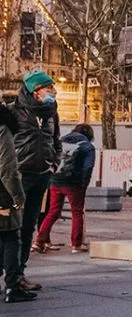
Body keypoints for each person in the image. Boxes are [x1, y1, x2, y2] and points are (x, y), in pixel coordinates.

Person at [11, 70, 59, 292]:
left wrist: (54, 162)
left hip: (42, 175)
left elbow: (55, 139)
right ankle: (8, 273)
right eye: (48, 88)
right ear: (35, 91)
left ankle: (19, 273)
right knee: (10, 227)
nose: (52, 92)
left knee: (29, 225)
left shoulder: (51, 113)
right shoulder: (14, 112)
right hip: (19, 175)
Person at [34, 122, 95, 253]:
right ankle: (76, 244)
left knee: (53, 212)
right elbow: (88, 167)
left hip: (55, 181)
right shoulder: (88, 147)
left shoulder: (61, 141)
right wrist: (84, 184)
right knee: (77, 212)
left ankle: (39, 241)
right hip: (74, 183)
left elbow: (50, 157)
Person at [0, 104, 35, 302]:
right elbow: (7, 168)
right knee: (12, 236)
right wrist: (18, 196)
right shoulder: (2, 129)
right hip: (2, 194)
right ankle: (12, 286)